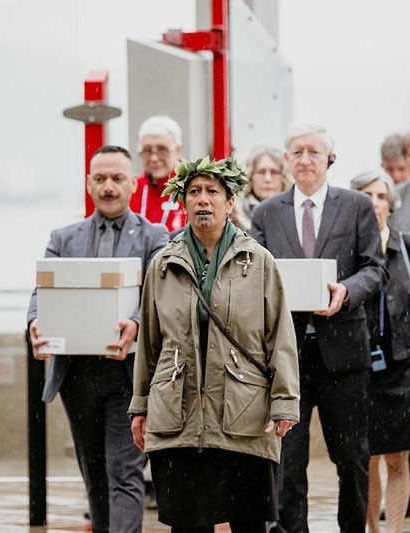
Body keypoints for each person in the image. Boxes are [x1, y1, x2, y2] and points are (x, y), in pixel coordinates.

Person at [127, 156, 300, 532]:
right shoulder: (163, 265)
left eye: (212, 192)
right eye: (194, 192)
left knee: (249, 523)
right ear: (182, 201)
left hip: (244, 413)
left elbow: (280, 338)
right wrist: (141, 406)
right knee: (188, 524)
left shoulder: (259, 262)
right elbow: (149, 346)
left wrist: (284, 402)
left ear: (230, 201)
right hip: (179, 414)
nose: (203, 200)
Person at [249, 123, 387, 533]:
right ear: (286, 160)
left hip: (344, 353)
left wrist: (345, 290)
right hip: (286, 358)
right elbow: (253, 275)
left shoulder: (357, 206)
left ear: (330, 159)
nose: (305, 159)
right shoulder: (266, 213)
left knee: (352, 458)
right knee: (288, 462)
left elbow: (375, 269)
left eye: (313, 151)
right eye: (297, 152)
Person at [27, 145, 169, 533]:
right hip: (76, 374)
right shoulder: (63, 238)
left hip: (128, 375)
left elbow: (162, 295)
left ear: (132, 184)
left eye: (117, 179)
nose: (108, 187)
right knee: (94, 474)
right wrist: (35, 322)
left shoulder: (155, 236)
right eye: (101, 178)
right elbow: (42, 291)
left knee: (124, 470)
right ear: (88, 183)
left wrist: (137, 323)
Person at [349, 170, 410, 533]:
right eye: (367, 195)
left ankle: (396, 529)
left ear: (390, 203)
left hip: (405, 362)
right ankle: (373, 528)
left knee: (398, 457)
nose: (375, 202)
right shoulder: (349, 249)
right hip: (359, 363)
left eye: (381, 195)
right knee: (366, 457)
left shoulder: (408, 246)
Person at [130, 116, 188, 234]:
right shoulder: (131, 189)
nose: (154, 158)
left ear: (178, 150)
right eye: (147, 150)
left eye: (162, 150)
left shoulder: (192, 190)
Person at [233, 145, 293, 230]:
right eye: (261, 172)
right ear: (250, 177)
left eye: (274, 172)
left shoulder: (295, 213)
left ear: (284, 177)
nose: (268, 179)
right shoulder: (235, 215)